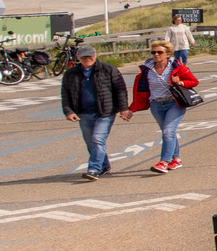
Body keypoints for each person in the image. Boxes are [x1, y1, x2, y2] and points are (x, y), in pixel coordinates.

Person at [126, 39, 198, 173]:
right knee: (168, 133)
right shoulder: (147, 70)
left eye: (160, 52)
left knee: (168, 132)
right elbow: (140, 91)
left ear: (168, 53)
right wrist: (131, 108)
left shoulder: (176, 67)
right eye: (153, 52)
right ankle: (176, 159)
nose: (156, 55)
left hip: (174, 103)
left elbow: (194, 81)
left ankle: (164, 162)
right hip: (156, 105)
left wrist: (181, 82)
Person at [60, 44, 127, 181]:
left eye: (90, 56)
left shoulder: (108, 69)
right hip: (83, 113)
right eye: (84, 57)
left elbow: (120, 90)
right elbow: (65, 94)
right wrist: (68, 111)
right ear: (78, 58)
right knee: (91, 142)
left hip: (105, 112)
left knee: (98, 139)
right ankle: (104, 166)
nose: (87, 59)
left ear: (95, 55)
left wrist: (123, 109)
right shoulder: (70, 73)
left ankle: (94, 169)